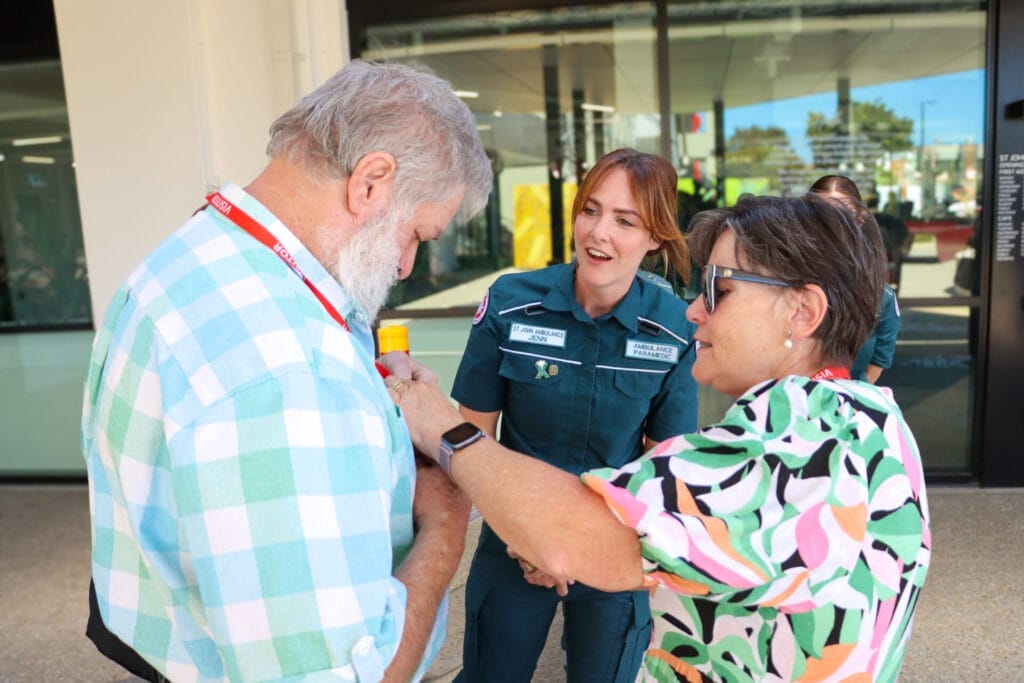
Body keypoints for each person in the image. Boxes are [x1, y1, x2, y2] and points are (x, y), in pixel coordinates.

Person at [385, 194, 931, 682]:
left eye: (719, 290)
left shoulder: (788, 445)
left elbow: (567, 535)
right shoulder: (873, 418)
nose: (695, 309)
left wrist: (440, 427)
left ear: (803, 311)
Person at [81, 60, 492, 682]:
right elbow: (348, 673)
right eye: (416, 234)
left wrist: (370, 407)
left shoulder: (186, 259)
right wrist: (444, 525)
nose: (408, 265)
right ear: (371, 182)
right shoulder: (294, 369)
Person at [450, 148, 700, 682]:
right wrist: (528, 540)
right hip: (513, 543)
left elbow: (664, 468)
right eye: (590, 210)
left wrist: (582, 548)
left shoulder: (676, 328)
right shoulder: (510, 304)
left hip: (614, 551)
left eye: (625, 220)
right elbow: (469, 441)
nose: (598, 232)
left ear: (655, 238)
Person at [809, 174, 901, 383]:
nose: (830, 224)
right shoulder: (783, 283)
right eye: (819, 214)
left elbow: (878, 362)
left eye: (842, 215)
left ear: (860, 220)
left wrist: (849, 396)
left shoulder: (882, 296)